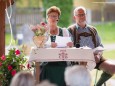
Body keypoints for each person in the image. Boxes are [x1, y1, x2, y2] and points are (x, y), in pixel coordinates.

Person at [68, 6, 115, 86]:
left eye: (83, 14)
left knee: (113, 67)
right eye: (79, 15)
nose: (82, 16)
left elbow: (100, 45)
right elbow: (69, 49)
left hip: (95, 58)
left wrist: (98, 55)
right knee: (81, 76)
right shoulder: (70, 30)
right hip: (79, 61)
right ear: (74, 17)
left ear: (86, 15)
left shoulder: (93, 29)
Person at [39, 6, 72, 86]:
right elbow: (40, 45)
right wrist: (50, 45)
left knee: (65, 68)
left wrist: (69, 45)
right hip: (47, 61)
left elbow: (69, 46)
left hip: (61, 61)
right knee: (45, 69)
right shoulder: (43, 32)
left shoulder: (64, 31)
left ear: (58, 18)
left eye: (55, 16)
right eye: (51, 16)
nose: (53, 18)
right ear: (47, 18)